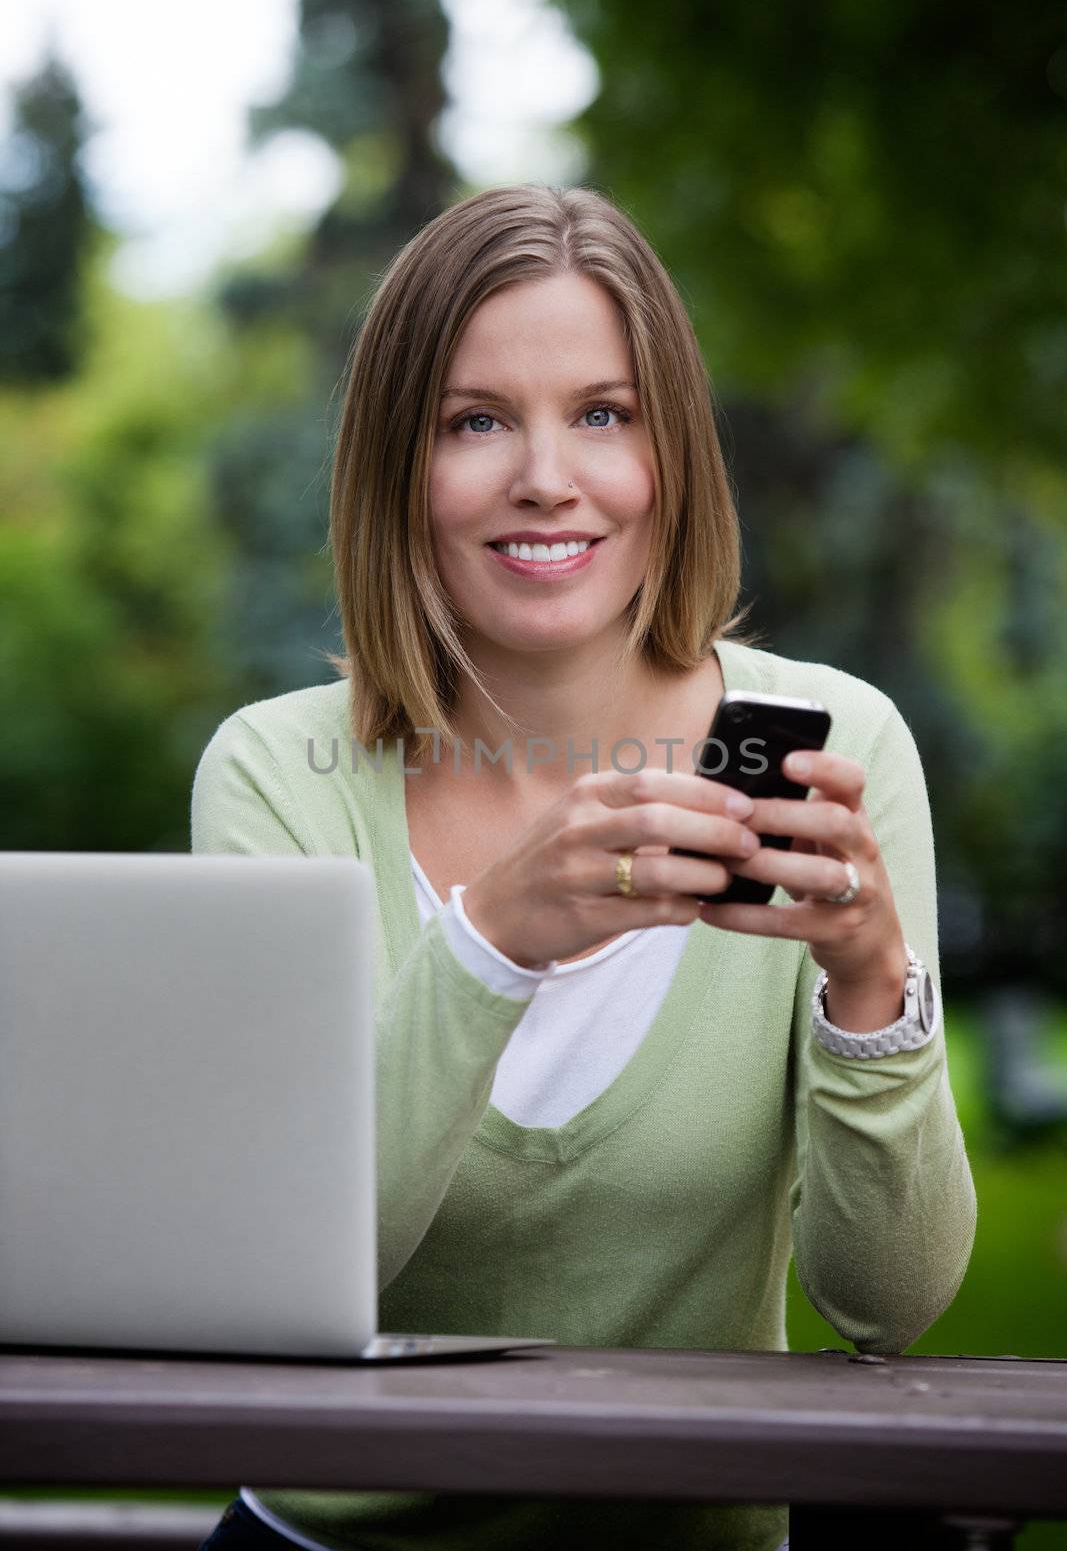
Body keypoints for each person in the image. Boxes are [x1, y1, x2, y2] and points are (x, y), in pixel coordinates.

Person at [191, 184, 977, 1551]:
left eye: (602, 414)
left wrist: (869, 983)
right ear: (398, 468)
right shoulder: (275, 772)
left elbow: (888, 1304)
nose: (546, 475)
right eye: (475, 420)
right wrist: (494, 939)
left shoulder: (836, 744)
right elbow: (285, 1275)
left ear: (669, 452)